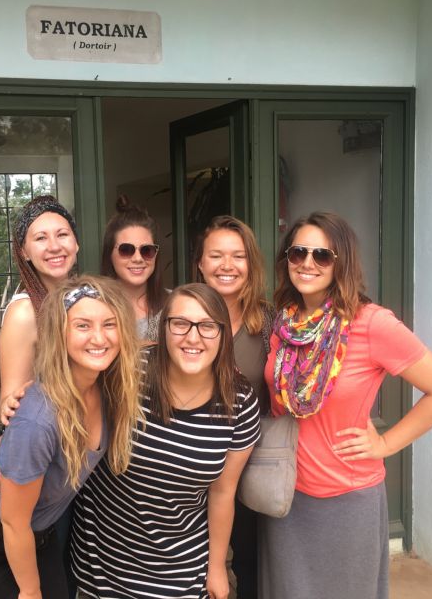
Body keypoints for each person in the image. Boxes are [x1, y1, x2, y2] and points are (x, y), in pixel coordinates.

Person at [260, 212, 432, 599]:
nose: (307, 263)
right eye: (298, 252)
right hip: (284, 493)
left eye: (322, 255)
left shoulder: (371, 323)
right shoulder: (284, 324)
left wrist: (386, 444)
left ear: (343, 262)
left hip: (346, 498)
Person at [0, 276, 142, 599]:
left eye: (110, 324)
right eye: (83, 326)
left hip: (34, 535)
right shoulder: (40, 418)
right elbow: (13, 522)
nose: (99, 337)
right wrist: (30, 592)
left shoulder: (105, 387)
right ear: (60, 333)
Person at [71, 283, 261, 599]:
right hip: (104, 569)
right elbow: (64, 396)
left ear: (223, 334)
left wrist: (216, 567)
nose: (193, 337)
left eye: (208, 326)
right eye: (181, 323)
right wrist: (5, 439)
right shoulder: (127, 372)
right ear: (164, 329)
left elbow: (222, 491)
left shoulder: (239, 401)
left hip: (182, 572)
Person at [193, 215, 275, 598]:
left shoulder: (269, 322)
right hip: (191, 466)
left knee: (250, 564)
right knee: (197, 568)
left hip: (249, 465)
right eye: (216, 255)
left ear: (250, 263)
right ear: (200, 263)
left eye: (238, 256)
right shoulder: (181, 317)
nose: (227, 265)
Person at [0, 194, 79, 426]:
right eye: (41, 238)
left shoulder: (84, 298)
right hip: (53, 437)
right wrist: (9, 404)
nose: (54, 246)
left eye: (62, 234)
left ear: (76, 243)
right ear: (24, 252)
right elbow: (8, 402)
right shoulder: (24, 312)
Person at [100, 195, 165, 341]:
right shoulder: (92, 306)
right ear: (109, 254)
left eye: (147, 250)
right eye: (126, 249)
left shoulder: (175, 304)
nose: (137, 258)